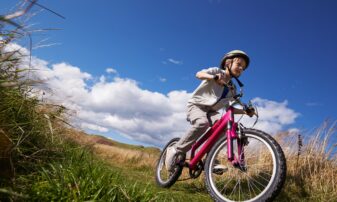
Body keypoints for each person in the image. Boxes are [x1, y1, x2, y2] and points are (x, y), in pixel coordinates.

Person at [165, 50, 255, 171]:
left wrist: (245, 111)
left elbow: (229, 108)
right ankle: (176, 149)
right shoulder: (217, 72)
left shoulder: (232, 88)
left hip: (211, 112)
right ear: (228, 63)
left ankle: (210, 159)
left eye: (243, 68)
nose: (241, 69)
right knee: (202, 123)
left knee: (224, 126)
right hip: (197, 105)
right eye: (239, 64)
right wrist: (213, 77)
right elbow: (199, 74)